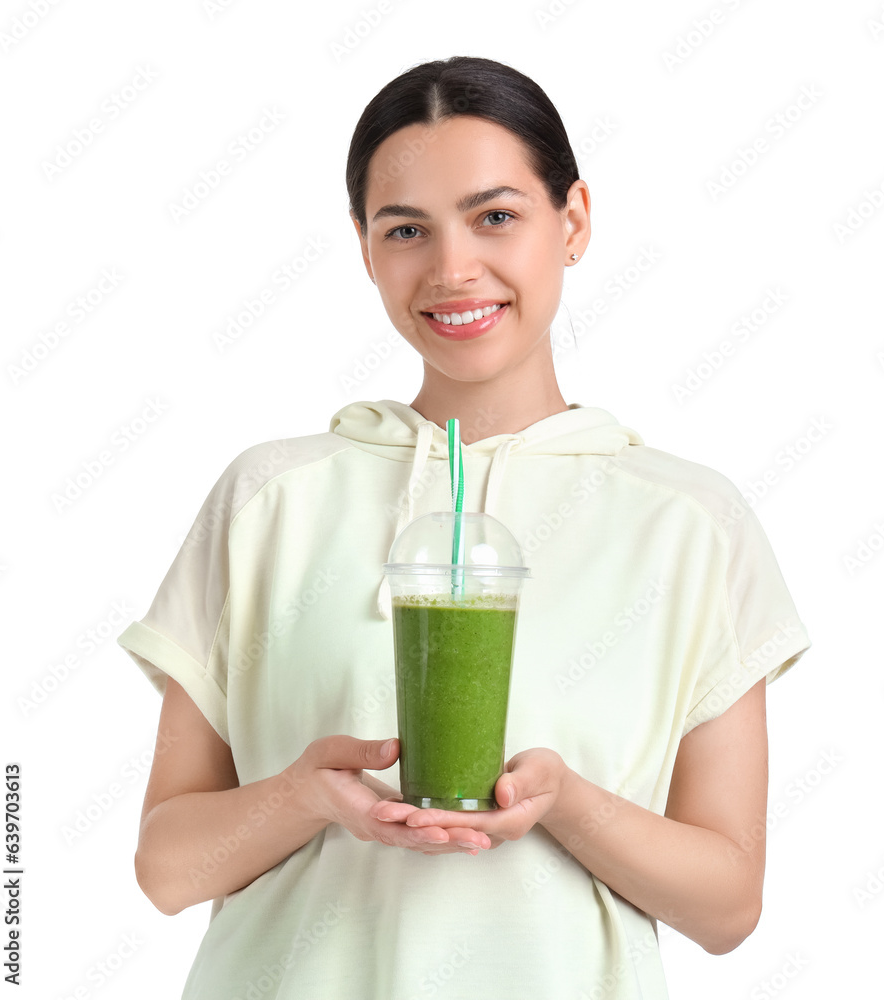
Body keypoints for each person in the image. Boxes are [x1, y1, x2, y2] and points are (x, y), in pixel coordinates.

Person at [118, 55, 811, 999]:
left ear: (572, 222)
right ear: (366, 249)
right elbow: (166, 868)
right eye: (407, 229)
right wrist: (306, 798)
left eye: (496, 216)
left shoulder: (690, 524)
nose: (452, 269)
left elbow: (728, 906)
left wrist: (568, 805)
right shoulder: (269, 500)